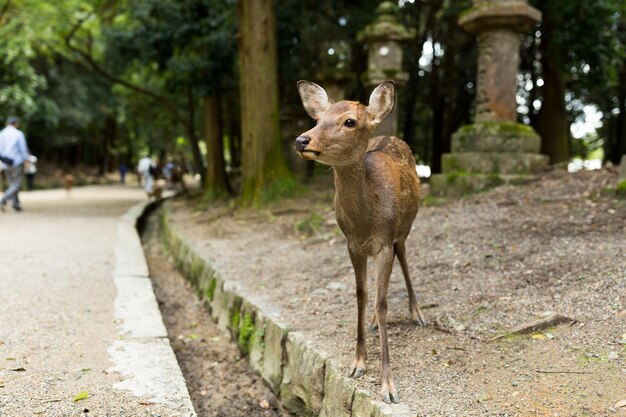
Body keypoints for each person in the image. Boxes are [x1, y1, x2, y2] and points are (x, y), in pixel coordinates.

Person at [0, 117, 30, 212]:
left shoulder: (2, 134)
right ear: (16, 124)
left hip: (5, 162)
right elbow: (23, 149)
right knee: (16, 183)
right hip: (17, 161)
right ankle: (3, 199)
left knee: (11, 184)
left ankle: (15, 205)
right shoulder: (18, 134)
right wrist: (26, 162)